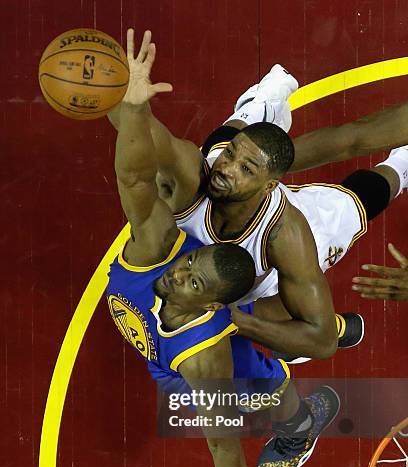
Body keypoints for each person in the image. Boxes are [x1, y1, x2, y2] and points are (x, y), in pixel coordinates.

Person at [108, 29, 341, 467]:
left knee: (267, 387)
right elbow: (134, 173)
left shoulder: (209, 363)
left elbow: (225, 454)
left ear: (213, 305)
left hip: (192, 359)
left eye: (189, 279)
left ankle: (301, 425)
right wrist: (131, 107)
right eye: (189, 263)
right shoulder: (154, 252)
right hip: (168, 356)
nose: (177, 273)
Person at [109, 35, 408, 360]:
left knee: (354, 203)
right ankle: (261, 104)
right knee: (216, 151)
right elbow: (141, 134)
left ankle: (401, 166)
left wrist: (235, 322)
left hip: (256, 278)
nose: (227, 168)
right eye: (233, 157)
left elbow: (320, 341)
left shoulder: (286, 233)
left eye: (246, 168)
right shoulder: (196, 175)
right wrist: (125, 98)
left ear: (270, 187)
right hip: (195, 259)